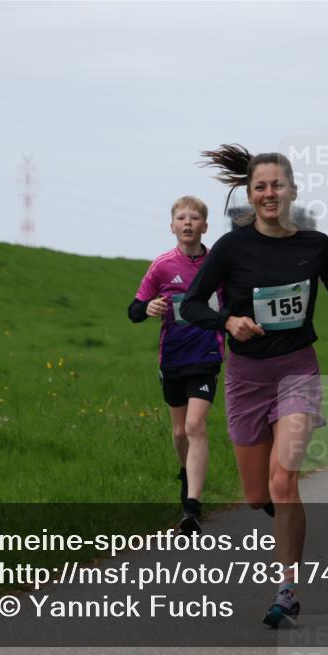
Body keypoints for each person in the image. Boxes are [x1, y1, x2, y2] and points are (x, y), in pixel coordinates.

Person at [182, 144, 328, 628]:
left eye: (277, 185)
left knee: (284, 480)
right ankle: (283, 517)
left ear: (292, 191)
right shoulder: (231, 248)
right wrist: (228, 322)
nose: (269, 193)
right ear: (249, 194)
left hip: (297, 370)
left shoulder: (315, 245)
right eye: (260, 186)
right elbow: (192, 305)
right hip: (246, 378)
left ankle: (286, 589)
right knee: (257, 495)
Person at [128, 196, 224, 536]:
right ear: (172, 226)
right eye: (181, 218)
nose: (188, 223)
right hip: (173, 358)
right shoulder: (162, 266)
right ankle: (186, 473)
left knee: (196, 426)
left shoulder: (218, 264)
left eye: (194, 218)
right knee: (180, 431)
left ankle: (191, 509)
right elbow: (134, 309)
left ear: (205, 226)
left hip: (208, 356)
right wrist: (149, 307)